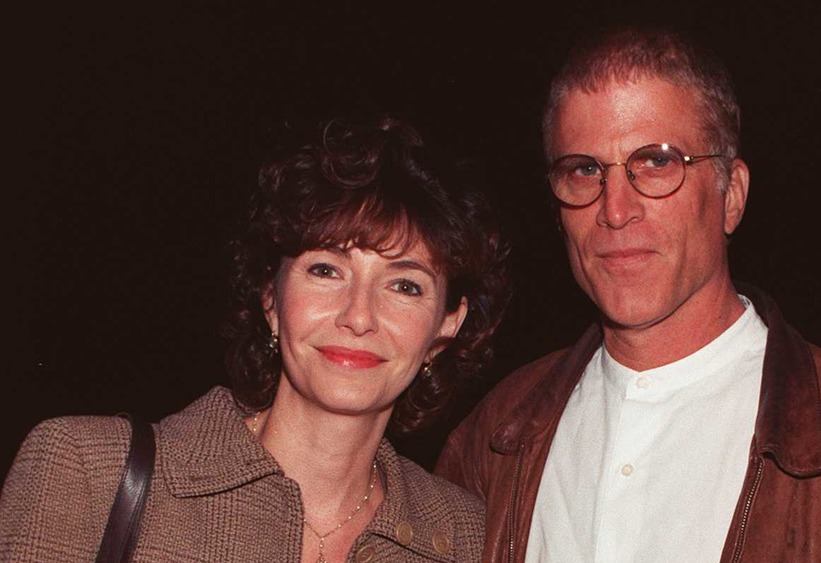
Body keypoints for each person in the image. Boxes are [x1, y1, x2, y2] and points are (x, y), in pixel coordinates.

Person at [435, 26, 821, 562]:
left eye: (656, 162)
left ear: (732, 196)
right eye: (583, 170)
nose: (616, 210)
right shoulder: (489, 442)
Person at [1, 116, 509, 562]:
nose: (359, 317)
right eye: (326, 269)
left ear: (448, 323)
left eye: (404, 285)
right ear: (271, 296)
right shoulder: (87, 470)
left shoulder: (464, 535)